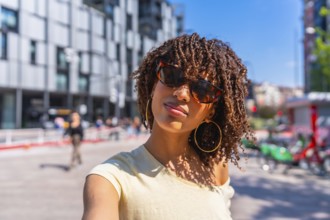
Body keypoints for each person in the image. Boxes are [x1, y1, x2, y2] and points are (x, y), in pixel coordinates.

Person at [82, 33, 254, 220]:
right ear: (153, 85)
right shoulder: (111, 178)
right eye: (173, 76)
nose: (182, 94)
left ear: (211, 112)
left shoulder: (216, 167)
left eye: (202, 89)